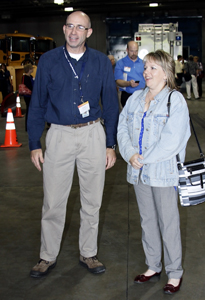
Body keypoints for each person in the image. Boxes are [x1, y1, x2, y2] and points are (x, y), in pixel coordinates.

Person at [27, 11, 119, 278]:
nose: (74, 31)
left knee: (92, 200)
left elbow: (111, 106)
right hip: (59, 135)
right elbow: (37, 104)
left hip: (93, 135)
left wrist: (110, 144)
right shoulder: (49, 61)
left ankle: (88, 252)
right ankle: (47, 256)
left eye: (81, 27)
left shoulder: (101, 62)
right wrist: (34, 142)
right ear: (64, 29)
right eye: (70, 26)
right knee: (53, 200)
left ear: (89, 32)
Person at [117, 50, 190, 295]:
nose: (146, 72)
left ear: (166, 73)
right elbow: (122, 128)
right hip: (139, 172)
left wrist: (144, 158)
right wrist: (129, 154)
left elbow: (173, 141)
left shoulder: (175, 100)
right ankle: (153, 265)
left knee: (168, 223)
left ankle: (174, 272)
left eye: (152, 68)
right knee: (147, 221)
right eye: (146, 67)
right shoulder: (135, 98)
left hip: (162, 172)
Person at [114, 41, 145, 107]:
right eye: (131, 51)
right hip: (127, 95)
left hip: (142, 95)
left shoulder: (143, 63)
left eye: (136, 51)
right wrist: (129, 83)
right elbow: (118, 81)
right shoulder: (121, 63)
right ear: (127, 50)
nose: (134, 53)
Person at [22, 64, 34, 131]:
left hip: (29, 95)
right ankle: (28, 126)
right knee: (29, 110)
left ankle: (29, 125)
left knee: (30, 110)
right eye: (31, 68)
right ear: (29, 69)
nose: (32, 69)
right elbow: (29, 86)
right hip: (27, 95)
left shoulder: (30, 77)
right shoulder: (26, 77)